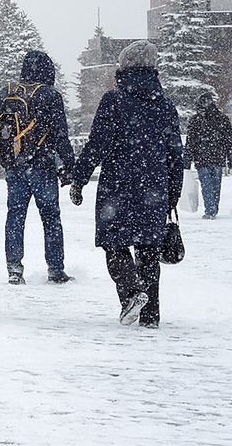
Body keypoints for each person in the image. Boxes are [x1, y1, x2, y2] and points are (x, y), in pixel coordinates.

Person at [69, 40, 183, 329]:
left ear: (124, 67)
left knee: (114, 244)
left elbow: (96, 145)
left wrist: (79, 179)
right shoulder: (166, 106)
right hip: (154, 188)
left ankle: (132, 293)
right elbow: (175, 154)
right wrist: (172, 195)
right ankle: (151, 316)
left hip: (117, 187)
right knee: (149, 253)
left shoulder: (114, 101)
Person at [0, 50, 76, 285]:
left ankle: (14, 269)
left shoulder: (6, 92)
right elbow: (60, 134)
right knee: (50, 217)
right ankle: (56, 269)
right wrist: (69, 163)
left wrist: (7, 157)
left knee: (15, 216)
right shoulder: (49, 95)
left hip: (15, 165)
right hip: (43, 165)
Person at [184, 91, 232, 220]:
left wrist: (187, 160)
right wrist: (231, 158)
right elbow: (229, 140)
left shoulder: (196, 120)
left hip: (202, 157)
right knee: (216, 184)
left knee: (206, 185)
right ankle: (213, 208)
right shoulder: (222, 118)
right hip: (218, 156)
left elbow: (191, 142)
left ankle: (210, 209)